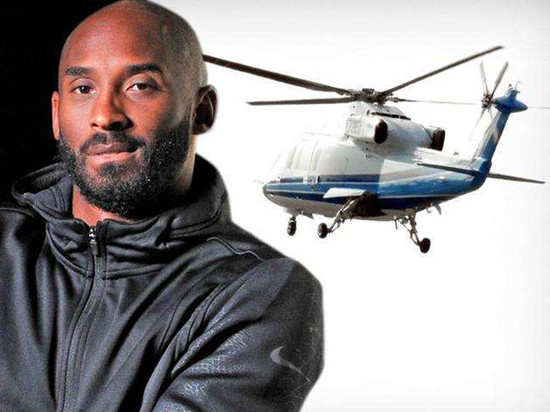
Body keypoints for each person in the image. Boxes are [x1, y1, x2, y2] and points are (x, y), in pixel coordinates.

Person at [0, 1, 323, 410]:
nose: (105, 115)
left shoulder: (258, 292)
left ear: (201, 111)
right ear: (56, 114)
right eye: (83, 89)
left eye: (140, 86)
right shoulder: (7, 247)